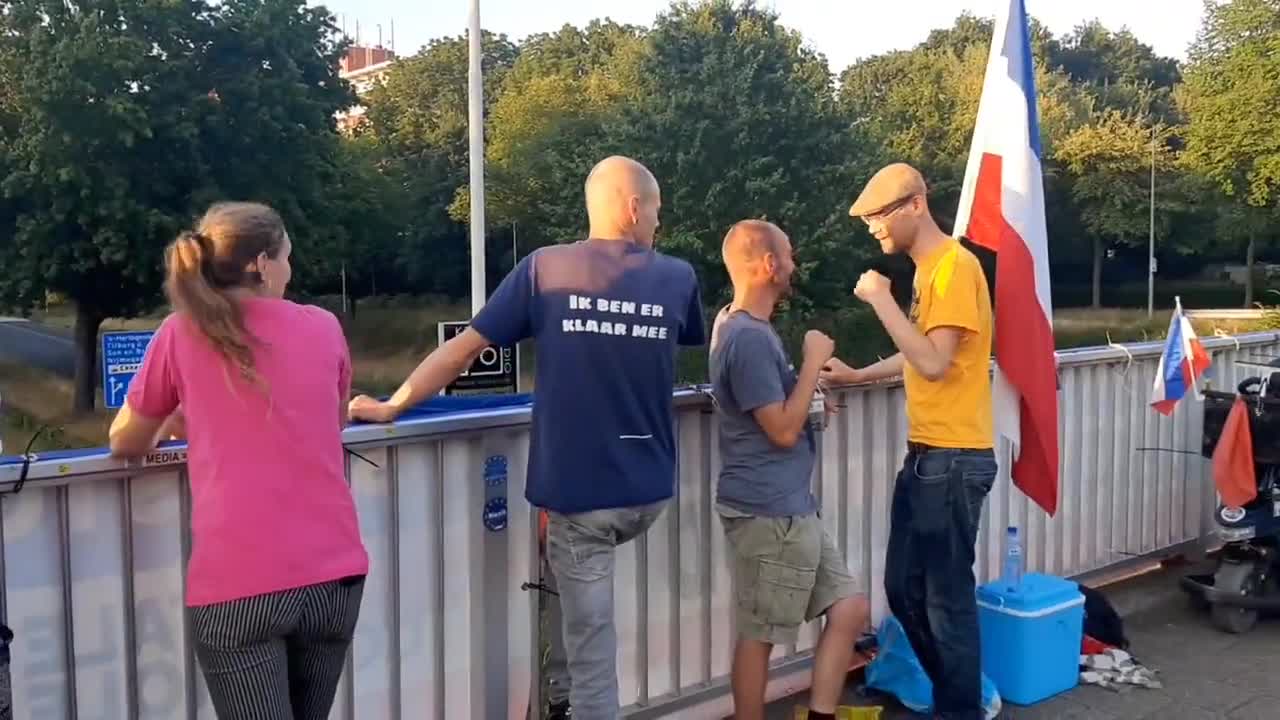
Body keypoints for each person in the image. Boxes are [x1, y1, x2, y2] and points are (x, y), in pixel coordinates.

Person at [348, 155, 707, 720]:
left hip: (581, 496)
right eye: (657, 210)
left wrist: (395, 403)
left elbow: (464, 350)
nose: (658, 223)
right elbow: (677, 340)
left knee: (593, 652)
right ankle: (560, 699)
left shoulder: (546, 269)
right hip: (651, 489)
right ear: (635, 207)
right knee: (571, 594)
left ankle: (575, 701)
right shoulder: (678, 276)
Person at [108, 202, 368, 720]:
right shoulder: (322, 326)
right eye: (287, 257)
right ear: (262, 264)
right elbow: (327, 420)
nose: (290, 270)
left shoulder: (180, 333)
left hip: (239, 586)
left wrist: (185, 420)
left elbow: (126, 442)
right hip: (335, 579)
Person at [822, 163, 996, 720]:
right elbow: (922, 353)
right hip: (928, 458)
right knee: (903, 589)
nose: (873, 226)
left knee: (946, 604)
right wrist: (856, 377)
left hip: (953, 458)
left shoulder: (952, 267)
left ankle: (959, 709)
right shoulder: (931, 274)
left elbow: (935, 362)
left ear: (916, 205)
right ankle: (956, 700)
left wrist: (879, 299)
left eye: (880, 215)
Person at [710, 220, 870, 720]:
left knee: (849, 608)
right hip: (767, 511)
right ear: (769, 264)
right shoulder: (748, 337)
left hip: (792, 507)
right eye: (790, 255)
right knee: (760, 635)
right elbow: (779, 430)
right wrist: (812, 360)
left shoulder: (744, 328)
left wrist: (811, 396)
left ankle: (821, 713)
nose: (796, 265)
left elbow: (779, 408)